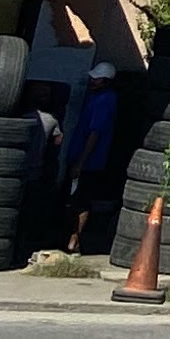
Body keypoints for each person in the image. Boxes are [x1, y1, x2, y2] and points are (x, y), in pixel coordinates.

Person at [61, 61, 122, 250]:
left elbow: (94, 132)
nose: (91, 82)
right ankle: (71, 238)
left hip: (89, 162)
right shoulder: (96, 98)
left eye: (96, 79)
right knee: (73, 198)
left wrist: (81, 161)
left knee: (79, 200)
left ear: (105, 81)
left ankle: (74, 240)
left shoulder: (105, 100)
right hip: (81, 158)